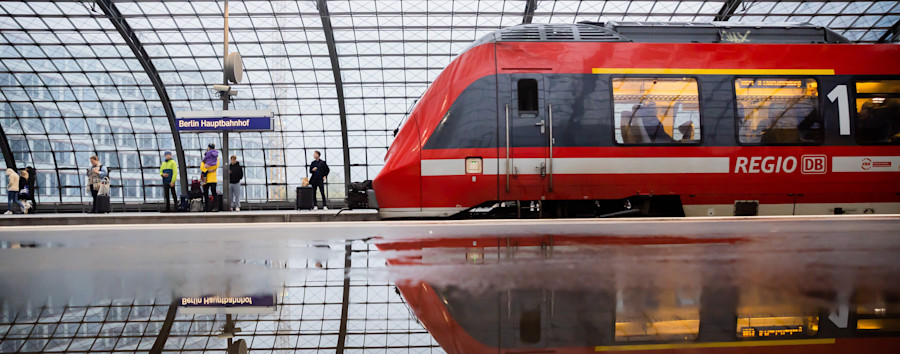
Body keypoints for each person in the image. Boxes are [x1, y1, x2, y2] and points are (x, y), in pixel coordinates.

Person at [200, 144, 219, 212]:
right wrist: (209, 170)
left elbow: (216, 166)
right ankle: (207, 207)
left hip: (212, 178)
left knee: (213, 193)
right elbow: (202, 166)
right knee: (206, 193)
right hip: (208, 178)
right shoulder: (206, 158)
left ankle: (215, 207)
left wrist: (207, 168)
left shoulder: (215, 157)